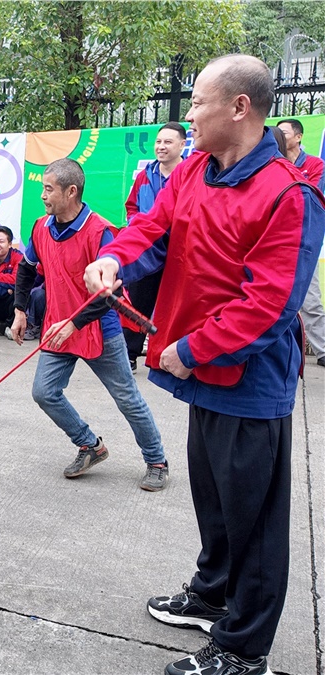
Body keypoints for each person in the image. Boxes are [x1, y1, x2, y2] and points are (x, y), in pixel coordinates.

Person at [86, 55, 325, 675]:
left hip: (248, 380)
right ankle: (212, 593)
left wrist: (192, 351)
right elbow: (153, 229)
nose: (187, 116)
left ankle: (245, 650)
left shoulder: (290, 194)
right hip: (202, 373)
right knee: (215, 498)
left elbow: (268, 305)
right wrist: (115, 259)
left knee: (255, 521)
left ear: (240, 108)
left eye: (197, 103)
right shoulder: (195, 169)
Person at [9, 158, 168, 492]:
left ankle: (157, 461)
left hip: (100, 329)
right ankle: (89, 445)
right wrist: (20, 310)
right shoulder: (41, 227)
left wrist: (74, 323)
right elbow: (26, 268)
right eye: (43, 188)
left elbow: (110, 293)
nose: (43, 195)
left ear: (71, 191)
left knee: (127, 399)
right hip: (58, 327)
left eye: (48, 189)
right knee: (44, 392)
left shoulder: (100, 232)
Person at [121, 121, 186, 370]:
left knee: (176, 305)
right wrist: (138, 225)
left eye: (168, 142)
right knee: (138, 302)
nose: (161, 147)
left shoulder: (191, 174)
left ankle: (167, 356)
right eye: (158, 142)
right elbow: (131, 207)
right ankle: (130, 353)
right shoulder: (145, 176)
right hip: (147, 249)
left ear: (182, 145)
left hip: (180, 250)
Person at [277, 118, 325, 367]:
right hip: (275, 240)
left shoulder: (315, 164)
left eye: (284, 133)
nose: (279, 136)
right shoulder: (271, 163)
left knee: (310, 299)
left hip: (304, 241)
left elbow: (307, 195)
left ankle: (323, 350)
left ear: (298, 137)